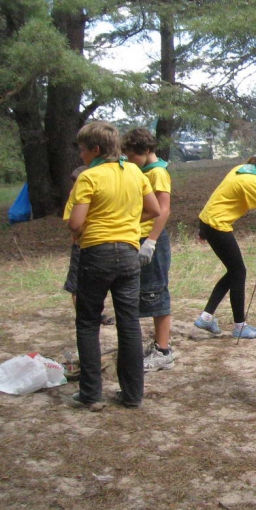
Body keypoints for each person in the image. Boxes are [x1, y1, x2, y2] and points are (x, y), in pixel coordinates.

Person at [63, 121, 160, 410]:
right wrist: (127, 222)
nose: (81, 155)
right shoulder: (134, 171)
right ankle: (132, 394)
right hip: (129, 254)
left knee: (88, 321)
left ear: (95, 149)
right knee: (129, 323)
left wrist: (91, 227)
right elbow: (154, 209)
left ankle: (91, 394)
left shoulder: (89, 177)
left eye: (82, 149)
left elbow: (75, 224)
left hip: (96, 254)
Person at [194, 142, 256, 339]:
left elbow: (218, 197)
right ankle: (239, 326)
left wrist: (202, 229)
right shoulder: (255, 184)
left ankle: (207, 317)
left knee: (234, 271)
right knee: (238, 272)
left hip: (207, 221)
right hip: (218, 226)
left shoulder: (241, 169)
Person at [121, 128, 175, 371]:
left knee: (156, 292)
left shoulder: (157, 173)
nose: (130, 160)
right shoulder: (144, 170)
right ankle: (157, 345)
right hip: (139, 237)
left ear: (146, 151)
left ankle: (163, 351)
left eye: (132, 155)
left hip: (151, 240)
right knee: (146, 292)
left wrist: (151, 242)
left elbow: (163, 210)